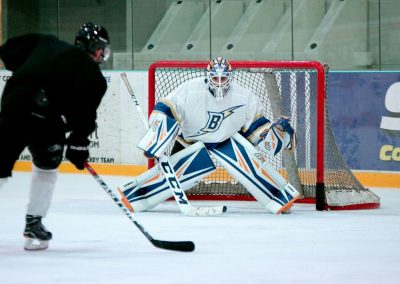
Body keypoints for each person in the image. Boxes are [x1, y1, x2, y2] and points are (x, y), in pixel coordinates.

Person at [120, 57, 300, 215]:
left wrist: (274, 135)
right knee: (174, 173)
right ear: (208, 76)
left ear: (230, 77)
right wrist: (156, 137)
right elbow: (167, 108)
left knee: (250, 162)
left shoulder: (244, 96)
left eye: (223, 78)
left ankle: (278, 196)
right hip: (191, 139)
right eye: (216, 77)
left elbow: (255, 129)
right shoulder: (190, 89)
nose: (220, 82)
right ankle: (138, 194)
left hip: (226, 141)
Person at [0, 22, 110, 250]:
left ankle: (34, 223)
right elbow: (84, 117)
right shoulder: (94, 77)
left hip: (15, 107)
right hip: (46, 121)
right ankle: (34, 223)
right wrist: (79, 145)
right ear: (96, 49)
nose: (101, 54)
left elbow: (8, 52)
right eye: (101, 49)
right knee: (47, 167)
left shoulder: (47, 42)